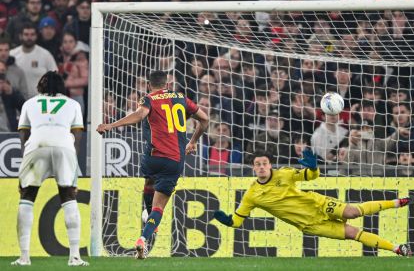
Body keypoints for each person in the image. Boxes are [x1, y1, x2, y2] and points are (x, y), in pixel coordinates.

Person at [97, 70, 209, 259]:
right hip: (174, 159)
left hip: (153, 157)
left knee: (149, 184)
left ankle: (149, 220)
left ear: (149, 85)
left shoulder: (148, 98)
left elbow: (140, 115)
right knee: (159, 207)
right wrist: (193, 141)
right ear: (167, 84)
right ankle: (144, 237)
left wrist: (111, 125)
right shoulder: (180, 98)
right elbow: (205, 119)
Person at [214, 151, 413, 257]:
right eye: (257, 164)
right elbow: (237, 221)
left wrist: (314, 167)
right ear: (253, 167)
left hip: (317, 203)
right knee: (353, 234)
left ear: (270, 164)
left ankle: (396, 203)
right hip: (310, 225)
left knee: (353, 212)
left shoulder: (284, 173)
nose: (261, 167)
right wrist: (227, 220)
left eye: (264, 163)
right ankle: (397, 249)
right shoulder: (252, 194)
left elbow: (309, 176)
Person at [11, 71, 88, 266]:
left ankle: (24, 257)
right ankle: (74, 257)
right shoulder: (73, 104)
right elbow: (77, 135)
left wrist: (26, 159)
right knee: (69, 197)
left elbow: (23, 135)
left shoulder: (29, 103)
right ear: (62, 87)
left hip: (36, 145)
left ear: (40, 86)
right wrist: (72, 162)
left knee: (27, 197)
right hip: (64, 146)